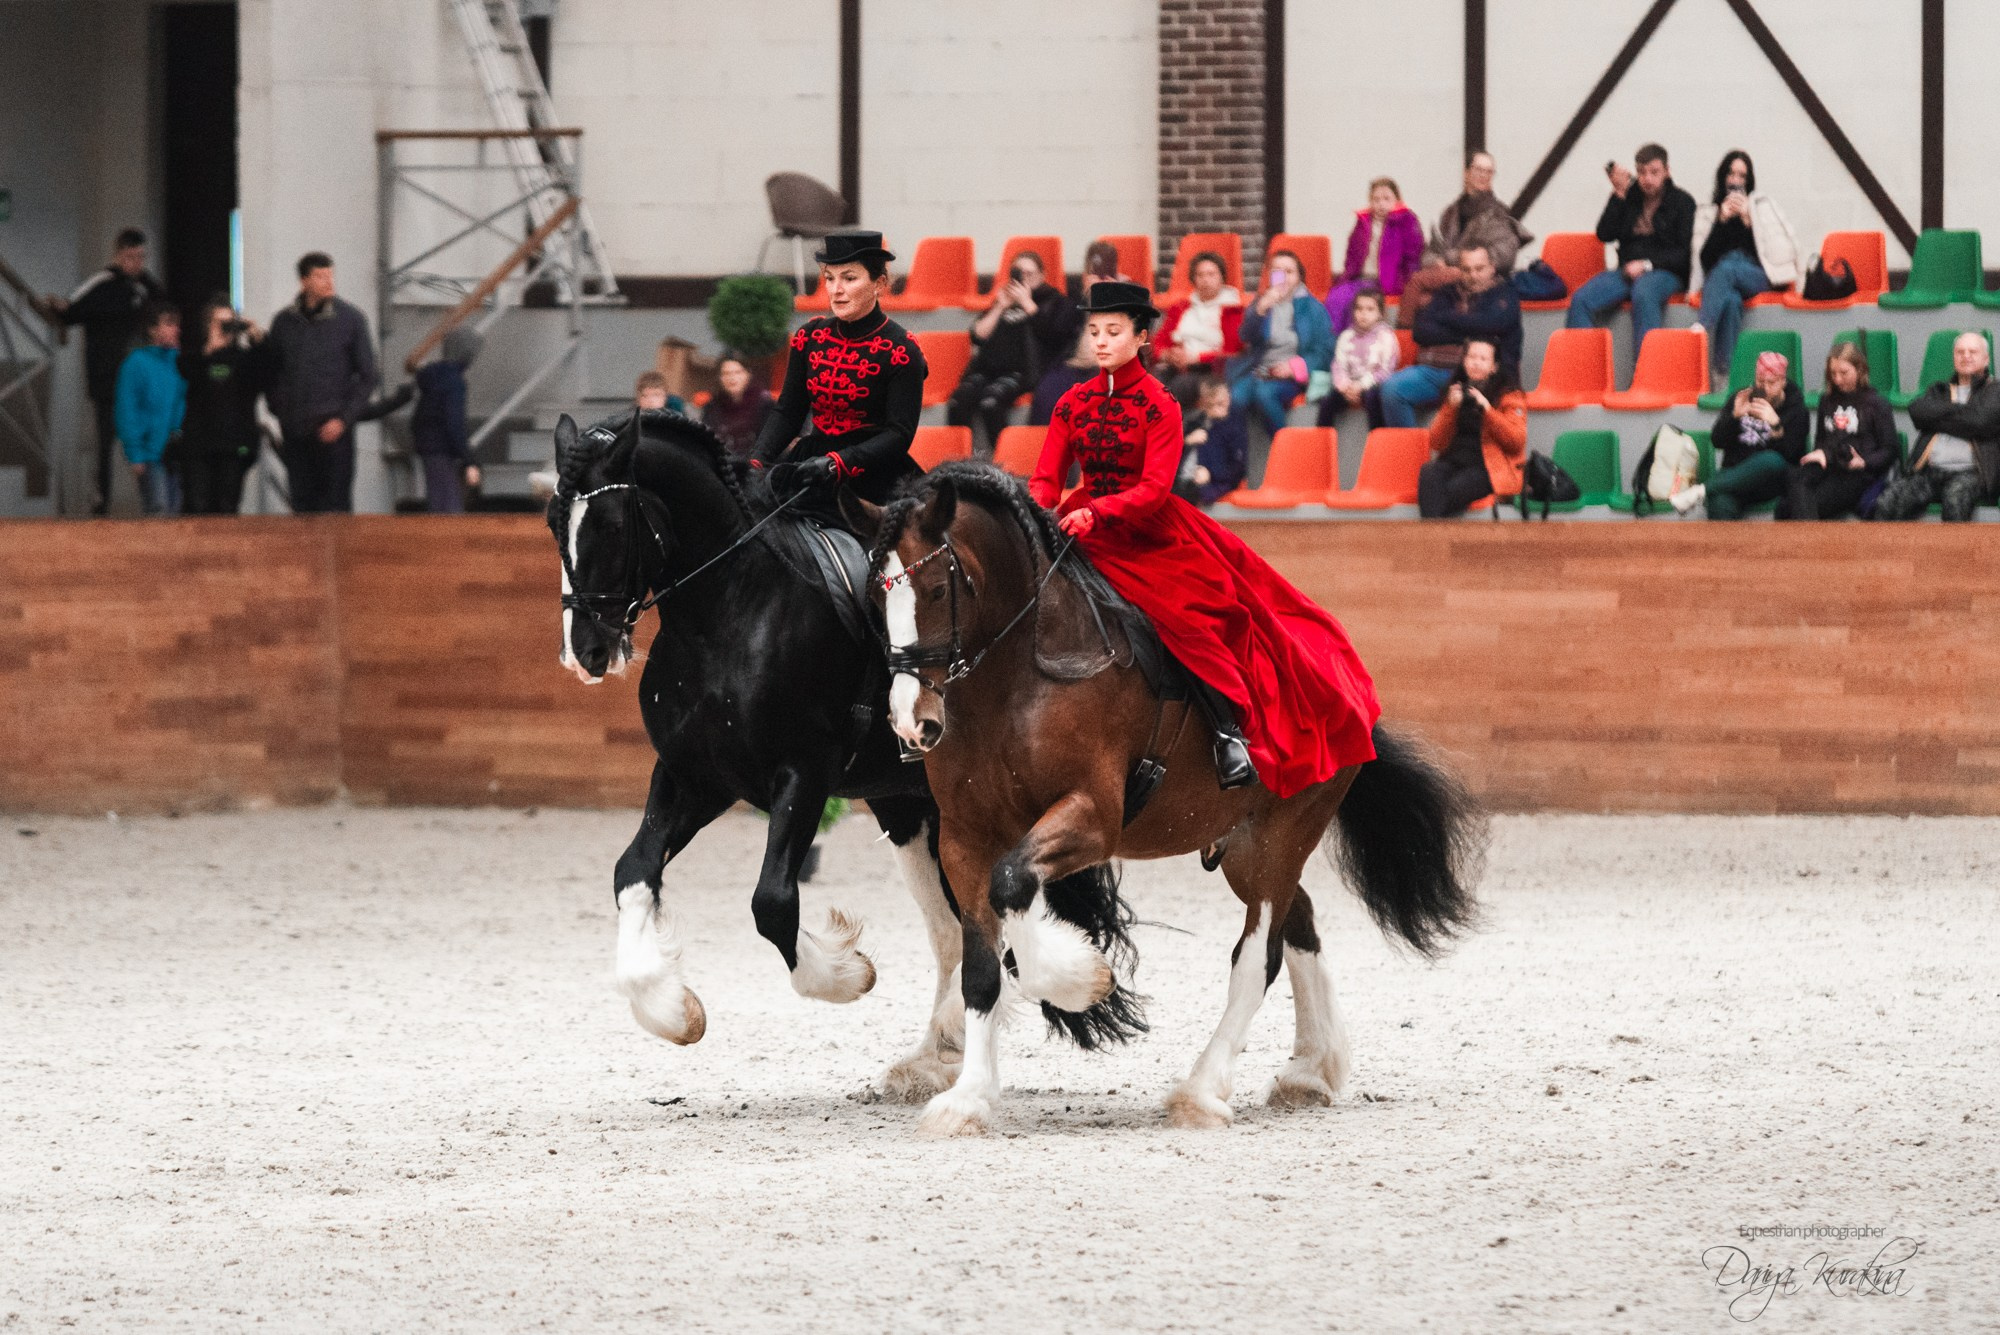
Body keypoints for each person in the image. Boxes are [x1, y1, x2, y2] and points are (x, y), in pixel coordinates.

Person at [1028, 281, 1380, 795]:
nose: (1100, 341)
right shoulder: (1071, 402)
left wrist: (1099, 512)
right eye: (1094, 331)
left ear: (1142, 337)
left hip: (1146, 532)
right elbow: (1046, 475)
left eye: (1113, 331)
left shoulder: (1160, 405)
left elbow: (1153, 489)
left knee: (1195, 621)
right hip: (1083, 523)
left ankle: (1226, 733)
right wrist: (1037, 509)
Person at [752, 229, 929, 518]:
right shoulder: (808, 337)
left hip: (874, 473)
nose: (836, 289)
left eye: (849, 278)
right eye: (830, 278)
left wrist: (838, 463)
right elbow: (788, 411)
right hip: (811, 463)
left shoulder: (902, 349)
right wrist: (757, 461)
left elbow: (899, 434)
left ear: (879, 283)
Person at [47, 228, 167, 514]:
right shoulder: (102, 284)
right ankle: (102, 503)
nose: (136, 263)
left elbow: (166, 315)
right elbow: (71, 309)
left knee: (146, 441)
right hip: (108, 381)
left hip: (142, 382)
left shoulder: (149, 288)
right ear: (118, 255)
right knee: (104, 445)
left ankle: (153, 504)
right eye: (130, 257)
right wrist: (56, 307)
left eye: (141, 257)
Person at [267, 252, 378, 513]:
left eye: (330, 275)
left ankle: (337, 556)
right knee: (301, 505)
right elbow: (272, 372)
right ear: (304, 281)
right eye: (320, 276)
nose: (328, 281)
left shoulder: (351, 319)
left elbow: (368, 375)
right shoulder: (284, 323)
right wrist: (281, 411)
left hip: (334, 431)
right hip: (295, 430)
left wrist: (343, 419)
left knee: (336, 507)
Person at [1690, 150, 1800, 393]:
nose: (1736, 180)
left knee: (1728, 267)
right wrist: (1721, 220)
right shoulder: (1710, 212)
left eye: (1742, 175)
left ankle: (1699, 330)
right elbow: (1706, 261)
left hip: (1757, 275)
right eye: (1731, 173)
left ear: (1748, 180)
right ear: (1723, 177)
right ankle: (1723, 377)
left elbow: (1777, 254)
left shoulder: (1761, 209)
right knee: (1729, 301)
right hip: (1725, 278)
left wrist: (1750, 222)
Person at [1566, 143, 1696, 350]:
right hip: (1626, 271)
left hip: (1665, 272)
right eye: (1642, 172)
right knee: (1581, 299)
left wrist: (1646, 265)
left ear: (1667, 171)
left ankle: (1646, 377)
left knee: (1644, 292)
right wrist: (1618, 194)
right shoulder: (1629, 196)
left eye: (1654, 172)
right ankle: (1583, 373)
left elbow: (1683, 254)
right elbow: (1604, 234)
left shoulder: (1683, 202)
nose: (1648, 179)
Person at [1378, 244, 1520, 428]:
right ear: (1459, 270)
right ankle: (1412, 452)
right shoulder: (1447, 293)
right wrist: (1469, 333)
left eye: (1479, 269)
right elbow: (1421, 332)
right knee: (1391, 389)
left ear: (1492, 267)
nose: (1473, 276)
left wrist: (1446, 319)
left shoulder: (1504, 295)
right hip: (1434, 371)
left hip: (1482, 374)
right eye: (1467, 270)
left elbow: (1490, 325)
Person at [949, 250, 1074, 455]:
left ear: (1042, 275)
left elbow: (1055, 335)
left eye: (1029, 273)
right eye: (1018, 272)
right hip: (986, 370)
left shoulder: (1053, 301)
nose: (1023, 278)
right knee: (958, 400)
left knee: (991, 403)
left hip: (1022, 372)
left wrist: (1027, 304)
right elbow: (978, 335)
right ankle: (958, 460)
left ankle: (1004, 464)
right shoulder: (1003, 301)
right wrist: (1000, 307)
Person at [1873, 332, 2000, 523]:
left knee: (1955, 500)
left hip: (1971, 473)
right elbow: (1917, 411)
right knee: (1887, 502)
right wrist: (1964, 414)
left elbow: (1979, 421)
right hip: (1930, 471)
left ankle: (1953, 554)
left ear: (1986, 359)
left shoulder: (1994, 390)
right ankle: (1887, 553)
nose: (1965, 356)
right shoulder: (1939, 390)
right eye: (1960, 352)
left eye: (1972, 352)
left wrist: (1938, 417)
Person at [1671, 350, 1808, 518]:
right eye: (1760, 381)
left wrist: (1776, 425)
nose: (1764, 388)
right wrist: (1734, 417)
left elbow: (1794, 456)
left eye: (1771, 383)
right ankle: (1729, 542)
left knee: (1772, 460)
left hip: (1771, 483)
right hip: (1734, 478)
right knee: (1719, 503)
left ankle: (1701, 490)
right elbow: (1717, 441)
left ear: (1783, 382)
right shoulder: (1741, 398)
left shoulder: (1796, 408)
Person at [176, 297, 273, 515]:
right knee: (198, 506)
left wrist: (256, 336)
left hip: (234, 444)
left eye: (229, 323)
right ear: (207, 325)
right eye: (219, 323)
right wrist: (210, 350)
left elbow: (269, 368)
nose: (225, 329)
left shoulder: (245, 360)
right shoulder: (194, 358)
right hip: (200, 445)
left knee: (227, 506)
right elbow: (188, 373)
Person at [1779, 342, 1896, 521]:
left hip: (1858, 472)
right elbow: (1821, 440)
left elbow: (1889, 450)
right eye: (1833, 373)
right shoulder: (1827, 400)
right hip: (1829, 465)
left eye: (1844, 373)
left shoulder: (1876, 403)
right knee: (1794, 479)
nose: (1838, 379)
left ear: (1860, 370)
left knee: (1791, 508)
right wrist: (1820, 453)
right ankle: (1807, 540)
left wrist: (1864, 462)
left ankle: (1806, 544)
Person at [1417, 337, 1526, 518]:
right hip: (1454, 461)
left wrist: (1487, 410)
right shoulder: (1456, 390)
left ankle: (1430, 541)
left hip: (1488, 467)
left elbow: (1516, 441)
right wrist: (1451, 408)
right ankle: (1435, 540)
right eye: (1471, 357)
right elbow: (1436, 442)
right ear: (1464, 360)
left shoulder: (1509, 395)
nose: (1475, 363)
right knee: (1429, 473)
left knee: (1447, 492)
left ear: (1494, 367)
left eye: (1483, 359)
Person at [1228, 250, 1334, 436]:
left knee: (1264, 394)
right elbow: (1245, 337)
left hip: (1292, 376)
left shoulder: (1313, 308)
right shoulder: (1262, 302)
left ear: (1299, 276)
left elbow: (1325, 351)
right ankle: (1237, 460)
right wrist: (1259, 311)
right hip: (1259, 371)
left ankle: (1287, 454)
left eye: (1289, 272)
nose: (1283, 277)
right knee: (1234, 398)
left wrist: (1294, 367)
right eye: (1277, 271)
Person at [1030, 240, 1123, 425]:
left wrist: (1114, 298)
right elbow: (1058, 330)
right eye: (1093, 270)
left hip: (1105, 368)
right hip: (1072, 365)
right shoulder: (1076, 297)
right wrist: (1086, 300)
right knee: (1045, 392)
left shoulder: (1128, 294)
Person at [112, 301, 186, 516]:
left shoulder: (182, 362)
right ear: (153, 329)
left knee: (178, 515)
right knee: (158, 511)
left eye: (176, 324)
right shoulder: (136, 363)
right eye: (169, 323)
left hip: (178, 453)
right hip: (152, 453)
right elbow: (127, 410)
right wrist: (135, 453)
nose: (175, 329)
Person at [1324, 178, 1424, 331]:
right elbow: (1351, 254)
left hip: (1387, 283)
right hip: (1361, 279)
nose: (1381, 204)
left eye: (1386, 199)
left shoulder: (1407, 221)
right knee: (1336, 298)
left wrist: (1404, 281)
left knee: (1363, 305)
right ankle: (1337, 344)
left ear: (1397, 200)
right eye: (1376, 199)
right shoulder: (1363, 222)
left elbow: (1413, 256)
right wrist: (1347, 275)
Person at [1155, 252, 1243, 407]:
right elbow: (1158, 343)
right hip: (1177, 365)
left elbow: (1233, 352)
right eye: (1200, 275)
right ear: (1193, 279)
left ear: (1222, 277)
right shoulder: (1181, 308)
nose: (1205, 280)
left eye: (1211, 274)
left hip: (1211, 371)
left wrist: (1197, 358)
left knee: (1179, 387)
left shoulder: (1232, 309)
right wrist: (1168, 355)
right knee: (1150, 382)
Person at [410, 326, 483, 514]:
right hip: (442, 448)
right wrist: (468, 461)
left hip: (428, 446)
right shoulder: (454, 382)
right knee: (449, 509)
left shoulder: (432, 376)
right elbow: (454, 423)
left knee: (438, 502)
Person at [1317, 285, 1399, 430]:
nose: (1363, 314)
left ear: (1380, 313)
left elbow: (1386, 370)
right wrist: (1344, 385)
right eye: (1359, 309)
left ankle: (1377, 442)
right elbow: (1338, 365)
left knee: (1373, 399)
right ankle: (1320, 444)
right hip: (1349, 385)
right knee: (1327, 402)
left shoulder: (1385, 336)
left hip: (1373, 384)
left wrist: (1361, 386)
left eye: (1370, 309)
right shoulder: (1346, 336)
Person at [1178, 377, 1248, 505]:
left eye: (1221, 403)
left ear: (1228, 399)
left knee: (1191, 494)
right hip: (1187, 477)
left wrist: (1210, 474)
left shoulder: (1234, 427)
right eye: (1211, 405)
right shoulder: (1193, 423)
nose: (1216, 409)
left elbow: (1238, 467)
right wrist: (1187, 441)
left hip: (1217, 482)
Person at [702, 354, 775, 459]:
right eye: (726, 373)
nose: (732, 378)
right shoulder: (712, 407)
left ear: (748, 374)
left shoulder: (764, 405)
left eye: (737, 372)